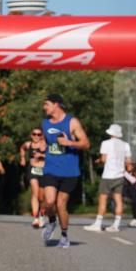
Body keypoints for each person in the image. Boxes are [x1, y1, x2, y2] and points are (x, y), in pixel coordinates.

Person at [40, 93, 90, 249]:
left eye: (46, 104)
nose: (44, 107)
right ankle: (52, 221)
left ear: (56, 105)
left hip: (69, 171)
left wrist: (69, 142)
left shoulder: (72, 122)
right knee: (49, 201)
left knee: (61, 204)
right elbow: (45, 140)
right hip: (51, 168)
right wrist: (43, 145)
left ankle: (64, 235)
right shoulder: (45, 123)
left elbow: (86, 144)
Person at [85, 124, 132, 233]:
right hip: (120, 175)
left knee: (103, 199)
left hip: (108, 175)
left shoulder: (105, 143)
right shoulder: (126, 145)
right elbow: (129, 162)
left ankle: (98, 223)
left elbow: (104, 159)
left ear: (110, 133)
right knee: (118, 200)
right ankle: (116, 225)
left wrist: (99, 160)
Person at [20, 127, 48, 227]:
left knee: (43, 197)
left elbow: (54, 156)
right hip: (33, 170)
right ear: (31, 135)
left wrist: (42, 155)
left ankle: (42, 215)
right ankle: (36, 218)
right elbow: (22, 148)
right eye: (34, 134)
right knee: (35, 193)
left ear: (42, 135)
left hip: (44, 171)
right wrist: (22, 158)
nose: (36, 136)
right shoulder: (29, 144)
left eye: (39, 134)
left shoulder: (46, 145)